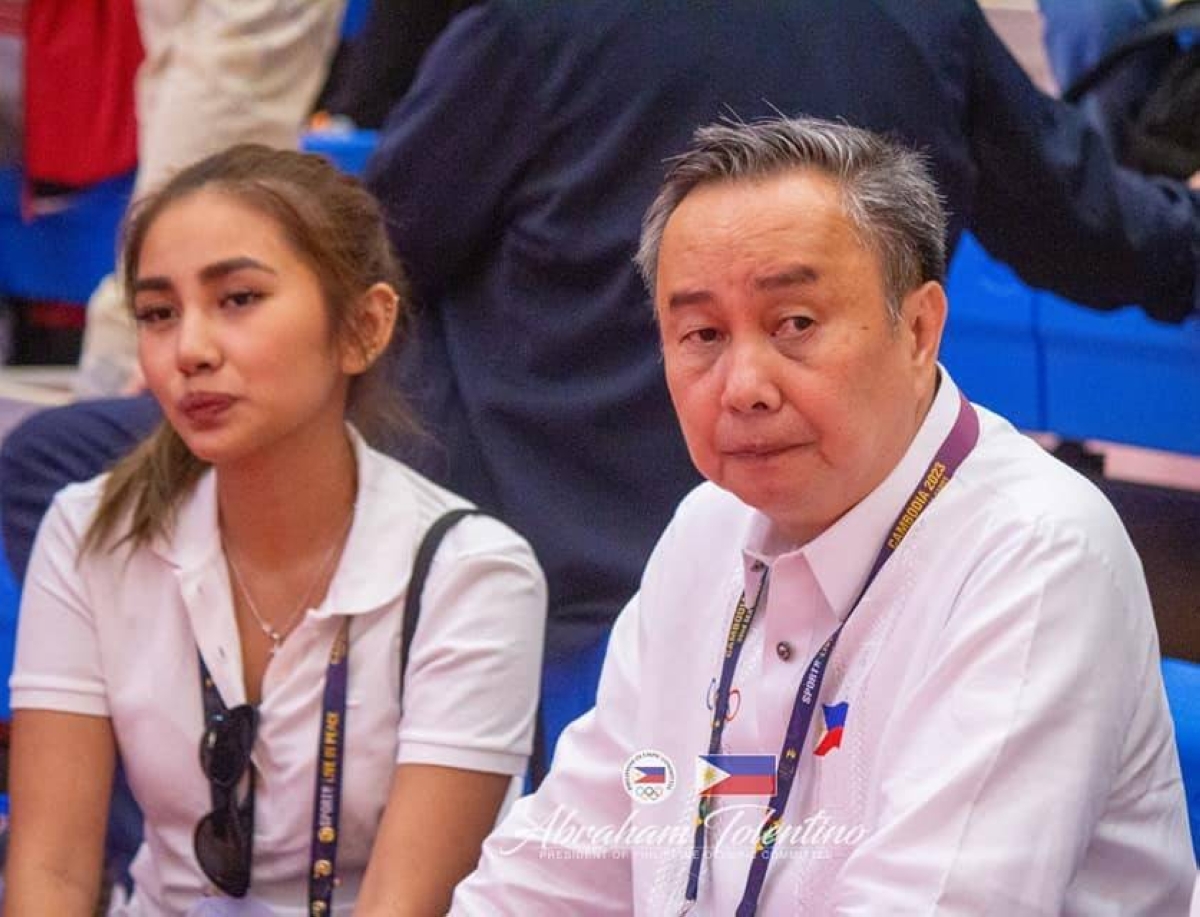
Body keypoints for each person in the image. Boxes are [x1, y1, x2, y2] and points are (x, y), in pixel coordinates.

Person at [6, 0, 1200, 743]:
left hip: (543, 554)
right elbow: (1091, 231)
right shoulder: (918, 20)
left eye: (787, 314)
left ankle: (178, 820)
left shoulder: (538, 24)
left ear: (921, 321)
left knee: (60, 475)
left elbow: (374, 262)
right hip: (788, 561)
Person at [449, 116, 1194, 915]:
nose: (743, 386)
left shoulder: (1035, 555)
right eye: (700, 333)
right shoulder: (707, 527)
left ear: (918, 329)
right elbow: (557, 864)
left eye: (794, 324)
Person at [4, 145, 546, 916]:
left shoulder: (472, 574)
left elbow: (407, 902)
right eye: (159, 313)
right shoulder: (92, 530)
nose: (190, 349)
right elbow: (51, 870)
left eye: (238, 299)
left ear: (364, 327)